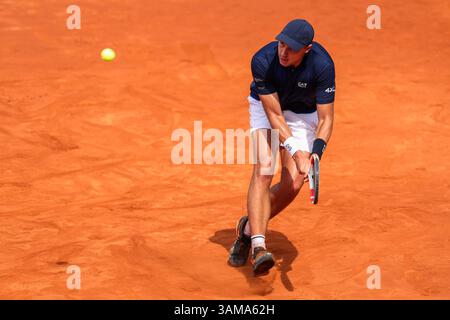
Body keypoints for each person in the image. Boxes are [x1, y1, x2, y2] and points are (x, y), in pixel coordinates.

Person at [228, 19, 336, 276]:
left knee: (295, 182)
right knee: (264, 170)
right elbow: (275, 116)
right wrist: (295, 150)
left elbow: (326, 118)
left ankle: (246, 229)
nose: (284, 52)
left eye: (292, 49)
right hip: (268, 108)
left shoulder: (323, 65)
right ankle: (258, 246)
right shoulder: (262, 60)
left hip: (302, 115)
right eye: (282, 44)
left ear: (307, 49)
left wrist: (314, 155)